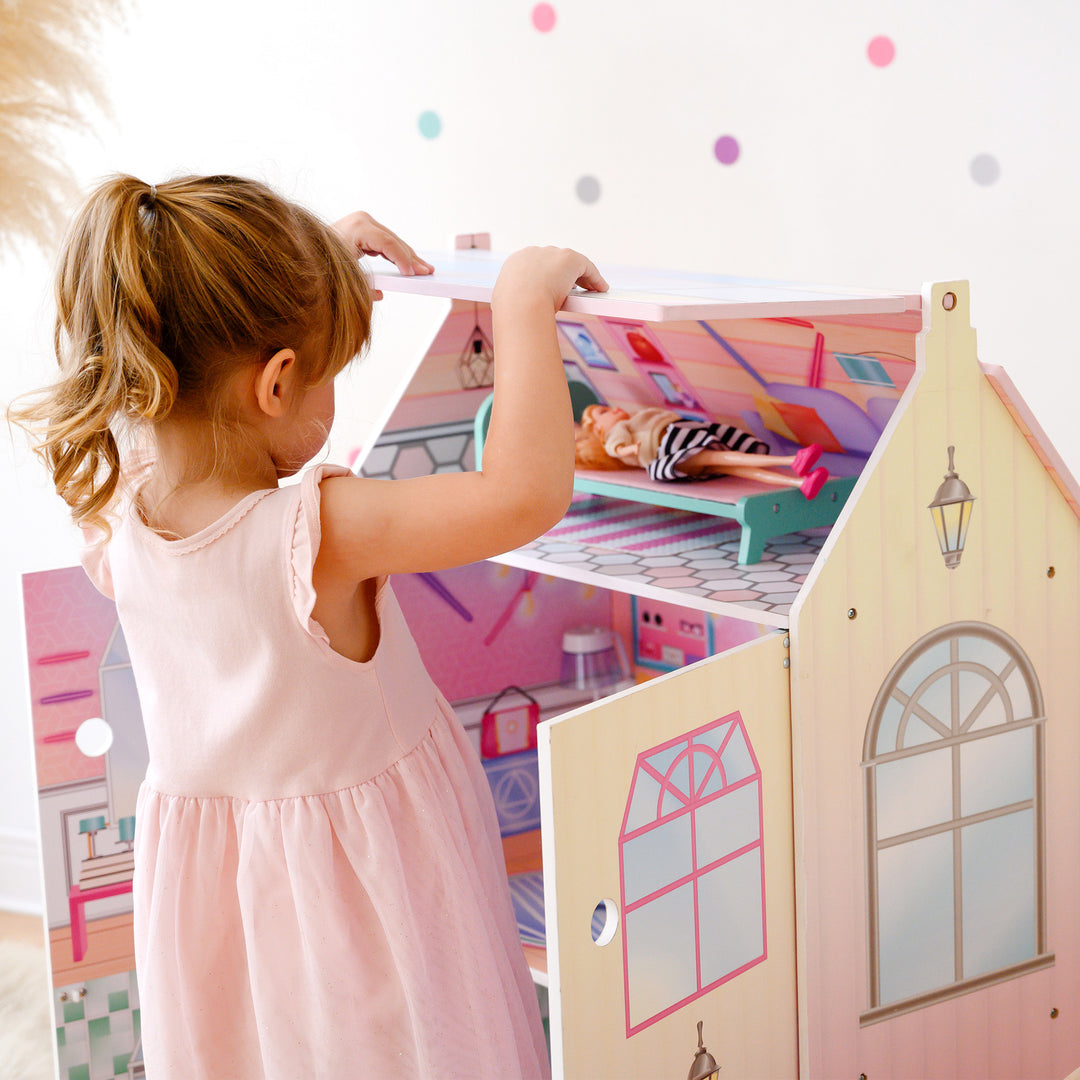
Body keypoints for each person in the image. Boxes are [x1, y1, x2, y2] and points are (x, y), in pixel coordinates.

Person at [11, 173, 607, 1079]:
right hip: (368, 900)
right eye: (331, 370)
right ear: (278, 381)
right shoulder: (320, 533)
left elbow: (194, 349)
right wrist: (521, 302)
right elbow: (524, 495)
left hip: (219, 908)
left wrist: (294, 280)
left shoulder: (116, 503)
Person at [574, 403, 829, 499]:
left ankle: (799, 483)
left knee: (735, 466)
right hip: (672, 446)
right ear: (598, 430)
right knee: (727, 458)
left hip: (678, 443)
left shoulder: (631, 422)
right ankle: (792, 460)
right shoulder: (616, 433)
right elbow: (617, 447)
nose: (613, 409)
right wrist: (628, 447)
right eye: (603, 412)